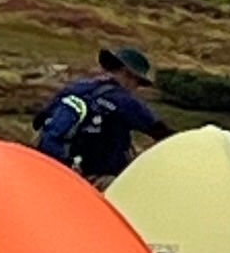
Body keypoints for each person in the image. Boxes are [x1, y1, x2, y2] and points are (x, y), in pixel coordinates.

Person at [36, 44, 168, 181]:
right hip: (95, 178)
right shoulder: (125, 102)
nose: (136, 87)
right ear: (127, 73)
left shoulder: (75, 88)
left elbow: (39, 120)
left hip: (54, 169)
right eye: (138, 82)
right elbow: (160, 131)